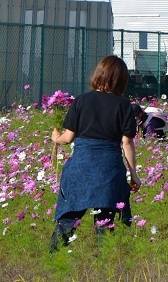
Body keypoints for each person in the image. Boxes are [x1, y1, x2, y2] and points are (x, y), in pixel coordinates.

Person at [49, 55, 141, 252]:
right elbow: (127, 142)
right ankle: (103, 264)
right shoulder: (124, 105)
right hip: (109, 170)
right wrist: (134, 174)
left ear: (99, 74)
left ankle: (52, 257)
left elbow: (68, 138)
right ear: (121, 80)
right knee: (105, 222)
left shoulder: (81, 101)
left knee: (68, 218)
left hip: (80, 168)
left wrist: (55, 138)